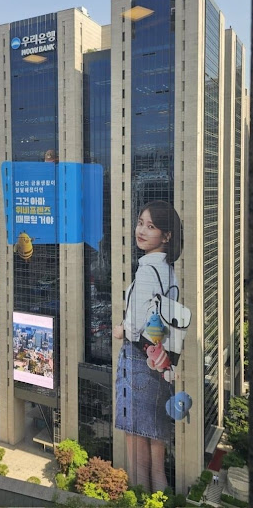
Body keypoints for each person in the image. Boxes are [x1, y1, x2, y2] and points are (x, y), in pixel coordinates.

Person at [113, 200, 183, 493]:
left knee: (136, 450)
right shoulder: (169, 272)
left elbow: (135, 326)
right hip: (160, 363)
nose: (141, 230)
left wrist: (121, 329)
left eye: (151, 226)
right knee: (156, 455)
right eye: (141, 222)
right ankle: (160, 500)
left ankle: (139, 499)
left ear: (166, 235)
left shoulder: (145, 272)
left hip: (139, 363)